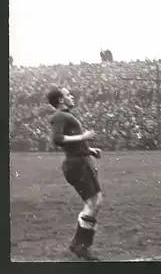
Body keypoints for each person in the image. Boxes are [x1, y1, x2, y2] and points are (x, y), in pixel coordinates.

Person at [48, 87, 103, 260]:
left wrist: (90, 150)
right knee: (94, 202)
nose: (71, 96)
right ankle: (81, 245)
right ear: (61, 100)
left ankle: (80, 244)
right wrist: (83, 137)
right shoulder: (59, 116)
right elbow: (57, 139)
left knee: (95, 202)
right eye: (68, 95)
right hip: (77, 164)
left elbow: (71, 143)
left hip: (80, 161)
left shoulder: (66, 115)